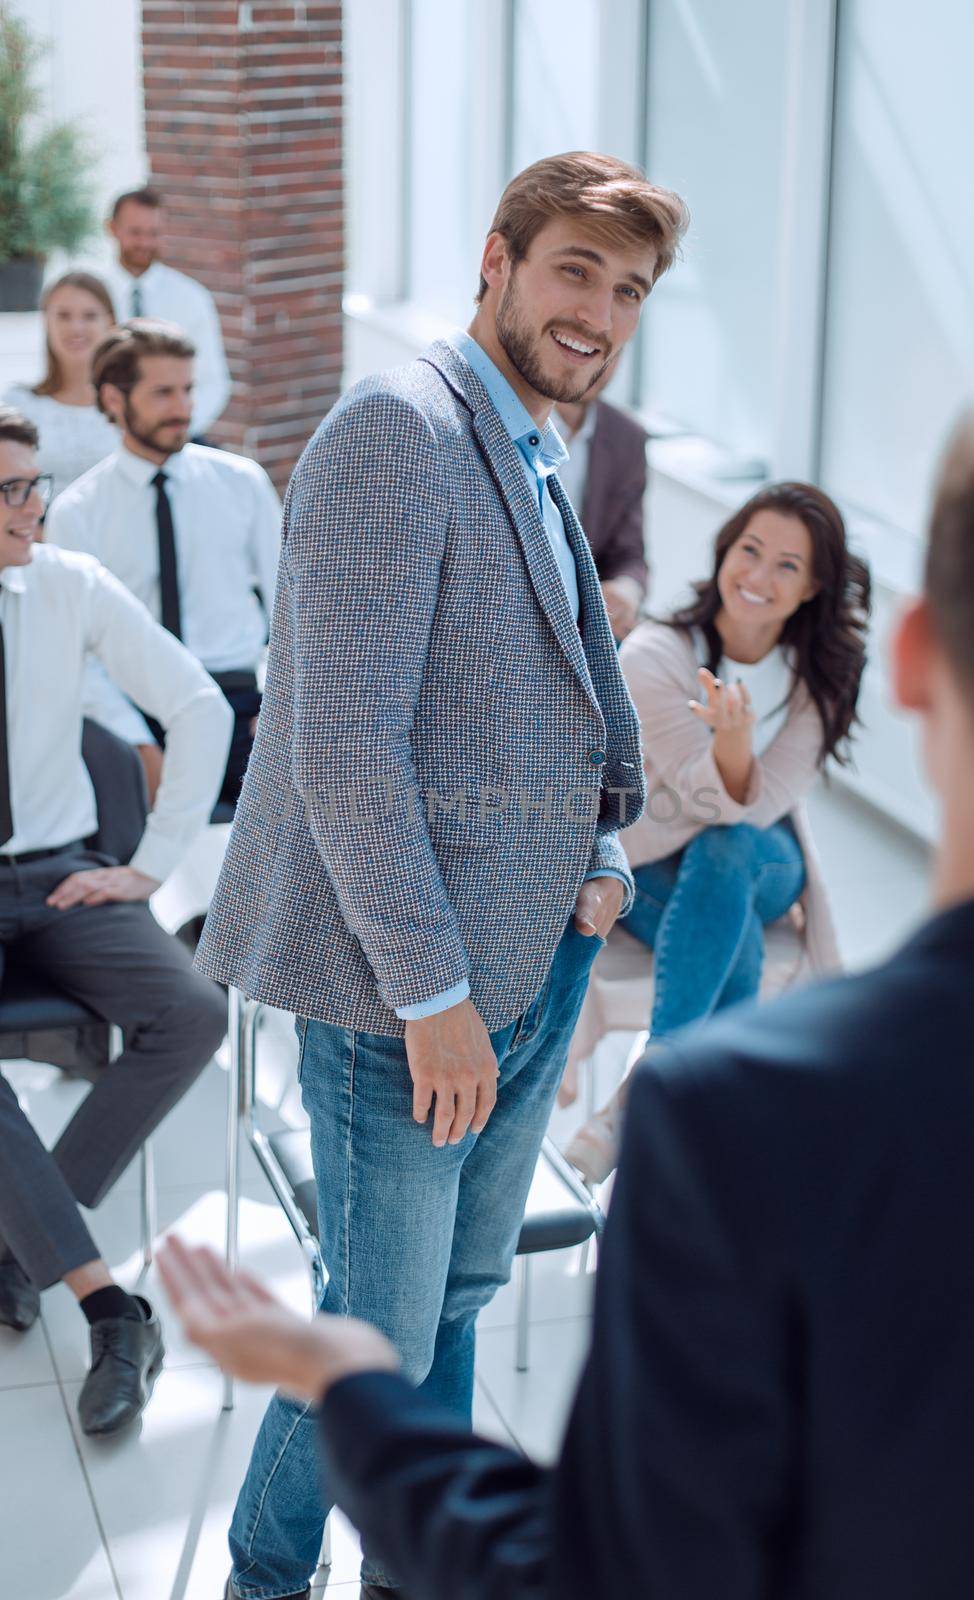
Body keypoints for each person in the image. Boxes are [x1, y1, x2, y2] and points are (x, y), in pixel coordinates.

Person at [162, 409, 974, 1599]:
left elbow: (611, 1573)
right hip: (460, 962)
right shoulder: (640, 635)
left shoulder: (752, 1128)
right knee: (423, 1299)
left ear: (903, 652)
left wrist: (344, 1386)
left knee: (429, 1306)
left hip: (555, 950)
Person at [195, 150, 688, 1600]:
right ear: (497, 261)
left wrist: (597, 851)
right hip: (406, 994)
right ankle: (264, 1578)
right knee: (384, 1349)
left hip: (530, 958)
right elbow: (342, 749)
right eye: (574, 271)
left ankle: (414, 1572)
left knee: (455, 1301)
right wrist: (433, 995)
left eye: (629, 289)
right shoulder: (394, 430)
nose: (600, 310)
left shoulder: (532, 430)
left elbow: (566, 672)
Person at [0, 405, 231, 1435]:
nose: (33, 506)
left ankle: (17, 1249)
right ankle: (109, 1305)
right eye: (9, 491)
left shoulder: (67, 587)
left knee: (192, 1013)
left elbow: (200, 706)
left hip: (58, 875)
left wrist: (149, 864)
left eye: (33, 482)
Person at [565, 480, 870, 1180]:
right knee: (724, 918)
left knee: (729, 848)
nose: (760, 577)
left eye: (787, 565)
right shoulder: (655, 656)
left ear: (814, 584)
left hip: (765, 864)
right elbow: (714, 791)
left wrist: (732, 753)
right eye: (750, 550)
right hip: (650, 870)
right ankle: (694, 1121)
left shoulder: (820, 674)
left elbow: (758, 806)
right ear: (725, 549)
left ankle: (652, 1082)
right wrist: (729, 755)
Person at [46, 320, 282, 810]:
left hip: (243, 712)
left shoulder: (241, 483)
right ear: (114, 399)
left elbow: (295, 607)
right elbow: (76, 653)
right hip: (140, 714)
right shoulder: (76, 513)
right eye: (163, 393)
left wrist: (278, 713)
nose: (183, 409)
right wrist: (138, 744)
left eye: (188, 390)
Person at [100, 186, 231, 437]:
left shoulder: (191, 297)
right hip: (104, 436)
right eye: (136, 232)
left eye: (154, 233)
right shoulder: (90, 295)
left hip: (176, 435)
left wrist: (174, 428)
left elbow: (213, 382)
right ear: (112, 229)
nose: (145, 243)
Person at [2, 271, 119, 502]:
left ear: (111, 322)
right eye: (63, 316)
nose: (76, 327)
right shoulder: (17, 404)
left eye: (90, 316)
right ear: (46, 321)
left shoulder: (131, 407)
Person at [555, 363, 649, 639]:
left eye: (614, 351)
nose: (598, 365)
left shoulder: (627, 437)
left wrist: (626, 589)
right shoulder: (513, 417)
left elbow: (629, 553)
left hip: (579, 622)